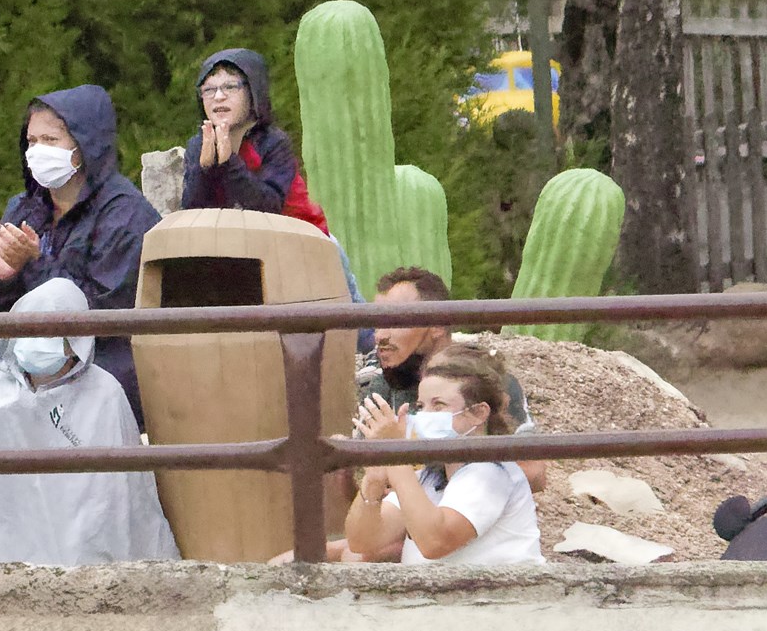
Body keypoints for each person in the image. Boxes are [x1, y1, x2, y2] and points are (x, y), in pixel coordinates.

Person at [0, 277, 177, 567]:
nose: (38, 341)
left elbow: (128, 498)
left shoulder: (105, 394)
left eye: (52, 333)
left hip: (82, 557)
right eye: (31, 329)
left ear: (76, 341)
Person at [0, 85, 160, 426]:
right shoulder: (25, 207)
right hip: (22, 363)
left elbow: (105, 314)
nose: (37, 152)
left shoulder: (125, 215)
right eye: (31, 142)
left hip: (94, 371)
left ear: (85, 146)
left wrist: (35, 265)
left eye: (50, 141)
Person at [343, 345, 544, 566]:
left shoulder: (491, 471)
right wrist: (374, 478)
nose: (424, 415)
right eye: (421, 406)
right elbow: (363, 542)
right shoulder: (431, 476)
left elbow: (435, 542)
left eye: (438, 405)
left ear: (478, 413)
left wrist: (395, 455)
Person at [355, 267, 544, 494]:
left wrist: (420, 477)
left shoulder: (487, 382)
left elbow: (533, 474)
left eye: (395, 321)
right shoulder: (379, 387)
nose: (380, 336)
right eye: (377, 324)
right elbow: (365, 480)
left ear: (437, 325)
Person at [181, 47, 330, 230]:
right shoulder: (199, 144)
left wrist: (228, 163)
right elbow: (193, 214)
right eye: (209, 90)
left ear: (253, 92)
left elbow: (269, 208)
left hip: (300, 238)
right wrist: (204, 170)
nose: (218, 97)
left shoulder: (273, 142)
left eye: (230, 87)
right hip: (233, 245)